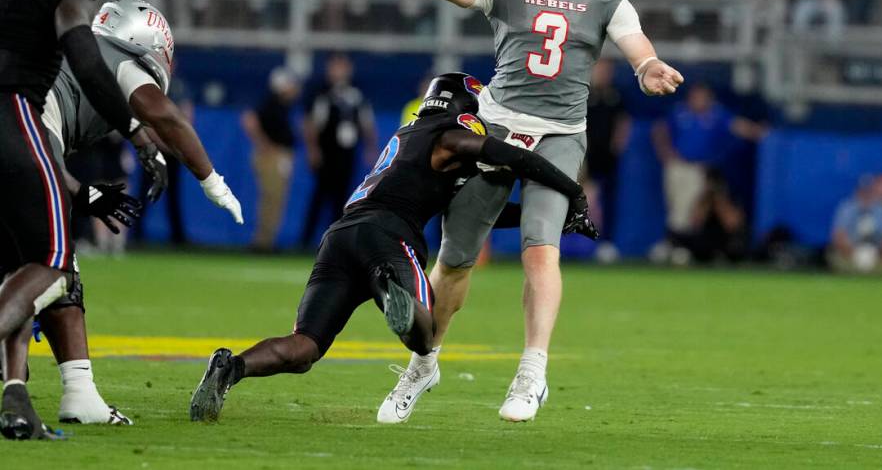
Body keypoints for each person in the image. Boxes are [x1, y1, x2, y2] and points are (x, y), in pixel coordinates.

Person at [299, 0, 683, 422]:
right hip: (495, 125)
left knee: (540, 248)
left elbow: (632, 36)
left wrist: (647, 66)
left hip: (560, 133)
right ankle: (422, 365)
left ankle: (532, 371)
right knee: (454, 261)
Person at [188, 73, 597, 423]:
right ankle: (390, 293)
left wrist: (554, 217)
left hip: (341, 237)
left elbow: (476, 213)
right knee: (423, 336)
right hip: (387, 238)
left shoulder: (409, 137)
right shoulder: (449, 138)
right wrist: (573, 192)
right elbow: (513, 157)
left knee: (306, 347)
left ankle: (232, 366)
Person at [0, 0, 164, 440]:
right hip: (10, 109)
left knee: (17, 267)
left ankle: (16, 399)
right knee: (51, 266)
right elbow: (88, 63)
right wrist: (137, 130)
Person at [21, 0, 244, 427]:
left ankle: (70, 391)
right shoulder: (120, 61)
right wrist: (213, 182)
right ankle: (75, 393)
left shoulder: (82, 51)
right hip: (25, 142)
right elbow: (166, 116)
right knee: (56, 267)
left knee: (48, 266)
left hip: (24, 140)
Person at [651, 83, 766, 258]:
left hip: (698, 168)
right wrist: (666, 153)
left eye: (703, 96)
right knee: (674, 205)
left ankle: (679, 245)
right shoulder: (680, 112)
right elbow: (660, 130)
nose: (699, 100)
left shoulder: (716, 115)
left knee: (688, 206)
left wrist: (758, 132)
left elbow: (738, 125)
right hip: (677, 165)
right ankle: (673, 243)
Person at [301, 54, 377, 245]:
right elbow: (310, 124)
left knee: (343, 196)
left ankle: (335, 240)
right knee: (320, 196)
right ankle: (305, 240)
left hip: (348, 152)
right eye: (336, 67)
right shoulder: (322, 93)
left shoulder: (356, 93)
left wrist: (370, 148)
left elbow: (366, 122)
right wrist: (313, 150)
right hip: (328, 151)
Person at [241, 67, 300, 251]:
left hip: (279, 154)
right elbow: (248, 119)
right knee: (271, 198)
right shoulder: (271, 103)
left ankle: (267, 239)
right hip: (273, 155)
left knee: (275, 199)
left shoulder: (281, 105)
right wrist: (263, 143)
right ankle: (262, 241)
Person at [584, 59, 630, 259]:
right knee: (583, 199)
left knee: (610, 200)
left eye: (606, 71)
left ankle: (607, 243)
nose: (603, 75)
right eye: (599, 70)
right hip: (586, 157)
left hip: (609, 158)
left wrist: (619, 143)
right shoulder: (584, 95)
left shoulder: (616, 96)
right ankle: (580, 242)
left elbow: (623, 121)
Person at [828, 174, 882, 274]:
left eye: (868, 191)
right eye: (862, 191)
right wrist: (853, 253)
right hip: (851, 253)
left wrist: (879, 252)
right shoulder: (846, 207)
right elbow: (838, 235)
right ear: (857, 191)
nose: (865, 195)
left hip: (880, 253)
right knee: (834, 255)